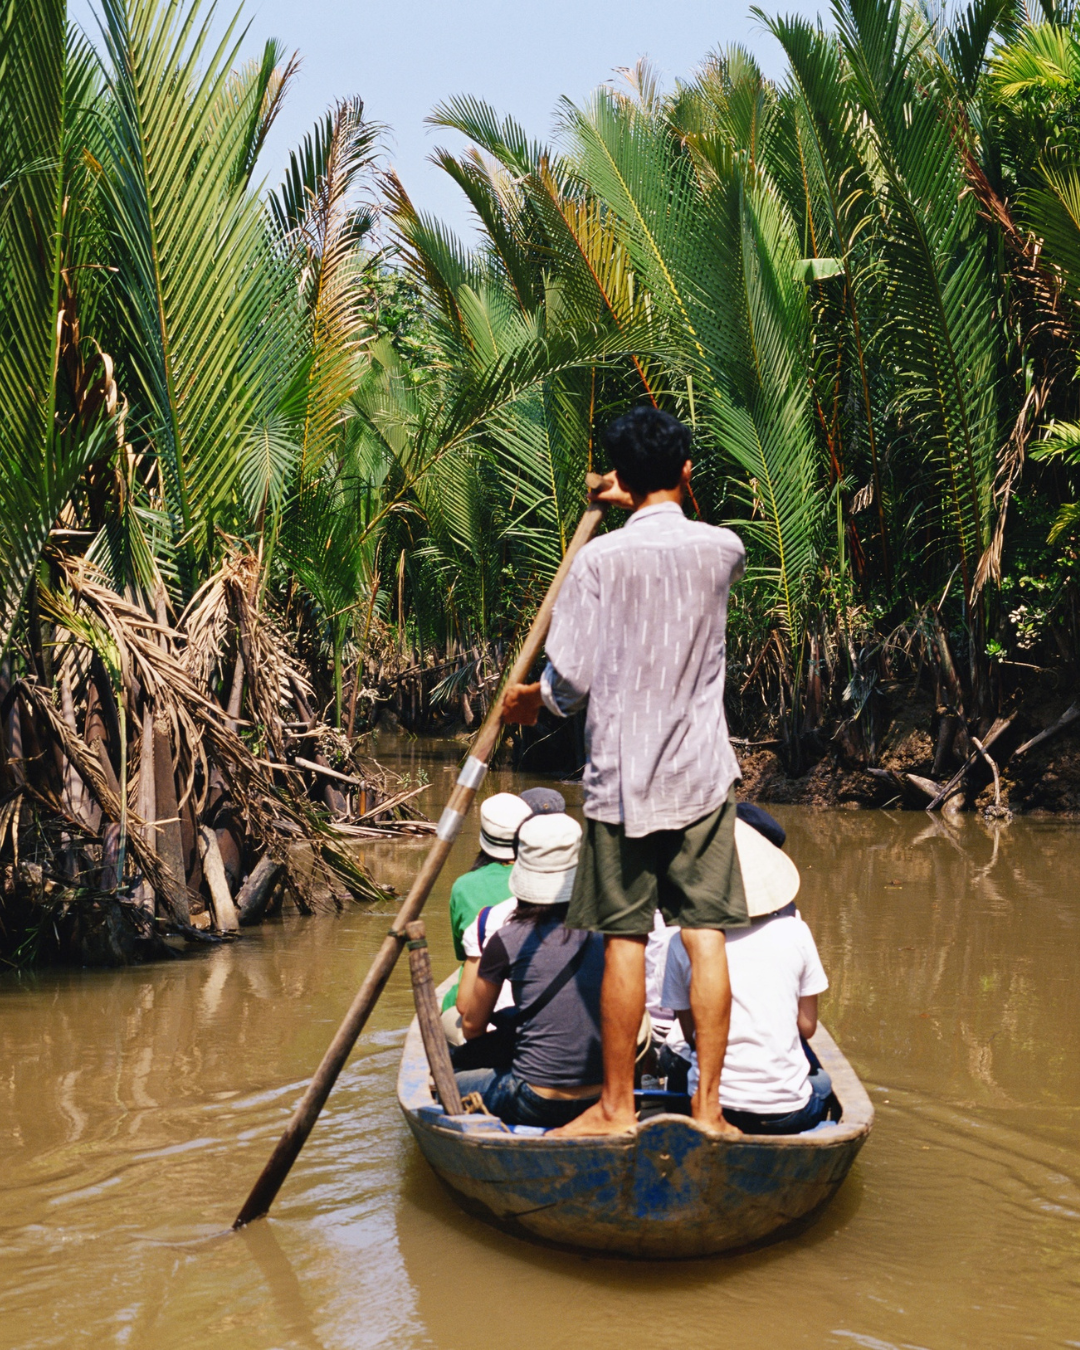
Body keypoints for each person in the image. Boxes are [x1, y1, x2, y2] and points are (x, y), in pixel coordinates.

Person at [503, 406, 747, 1137]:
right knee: (707, 936)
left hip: (622, 780)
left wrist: (530, 702)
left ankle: (616, 1108)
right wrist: (639, 493)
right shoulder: (724, 550)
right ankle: (708, 1111)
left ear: (622, 477)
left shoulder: (598, 562)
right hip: (701, 777)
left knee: (626, 941)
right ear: (687, 471)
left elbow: (568, 684)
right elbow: (681, 520)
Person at [661, 816, 832, 1134]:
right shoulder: (795, 931)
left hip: (703, 1105)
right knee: (821, 1083)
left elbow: (691, 1034)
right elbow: (807, 1028)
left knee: (676, 1064)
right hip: (782, 1113)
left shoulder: (681, 940)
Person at [454, 814, 605, 1129]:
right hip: (604, 1095)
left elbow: (471, 1026)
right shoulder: (610, 935)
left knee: (444, 1081)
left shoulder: (506, 939)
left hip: (535, 1100)